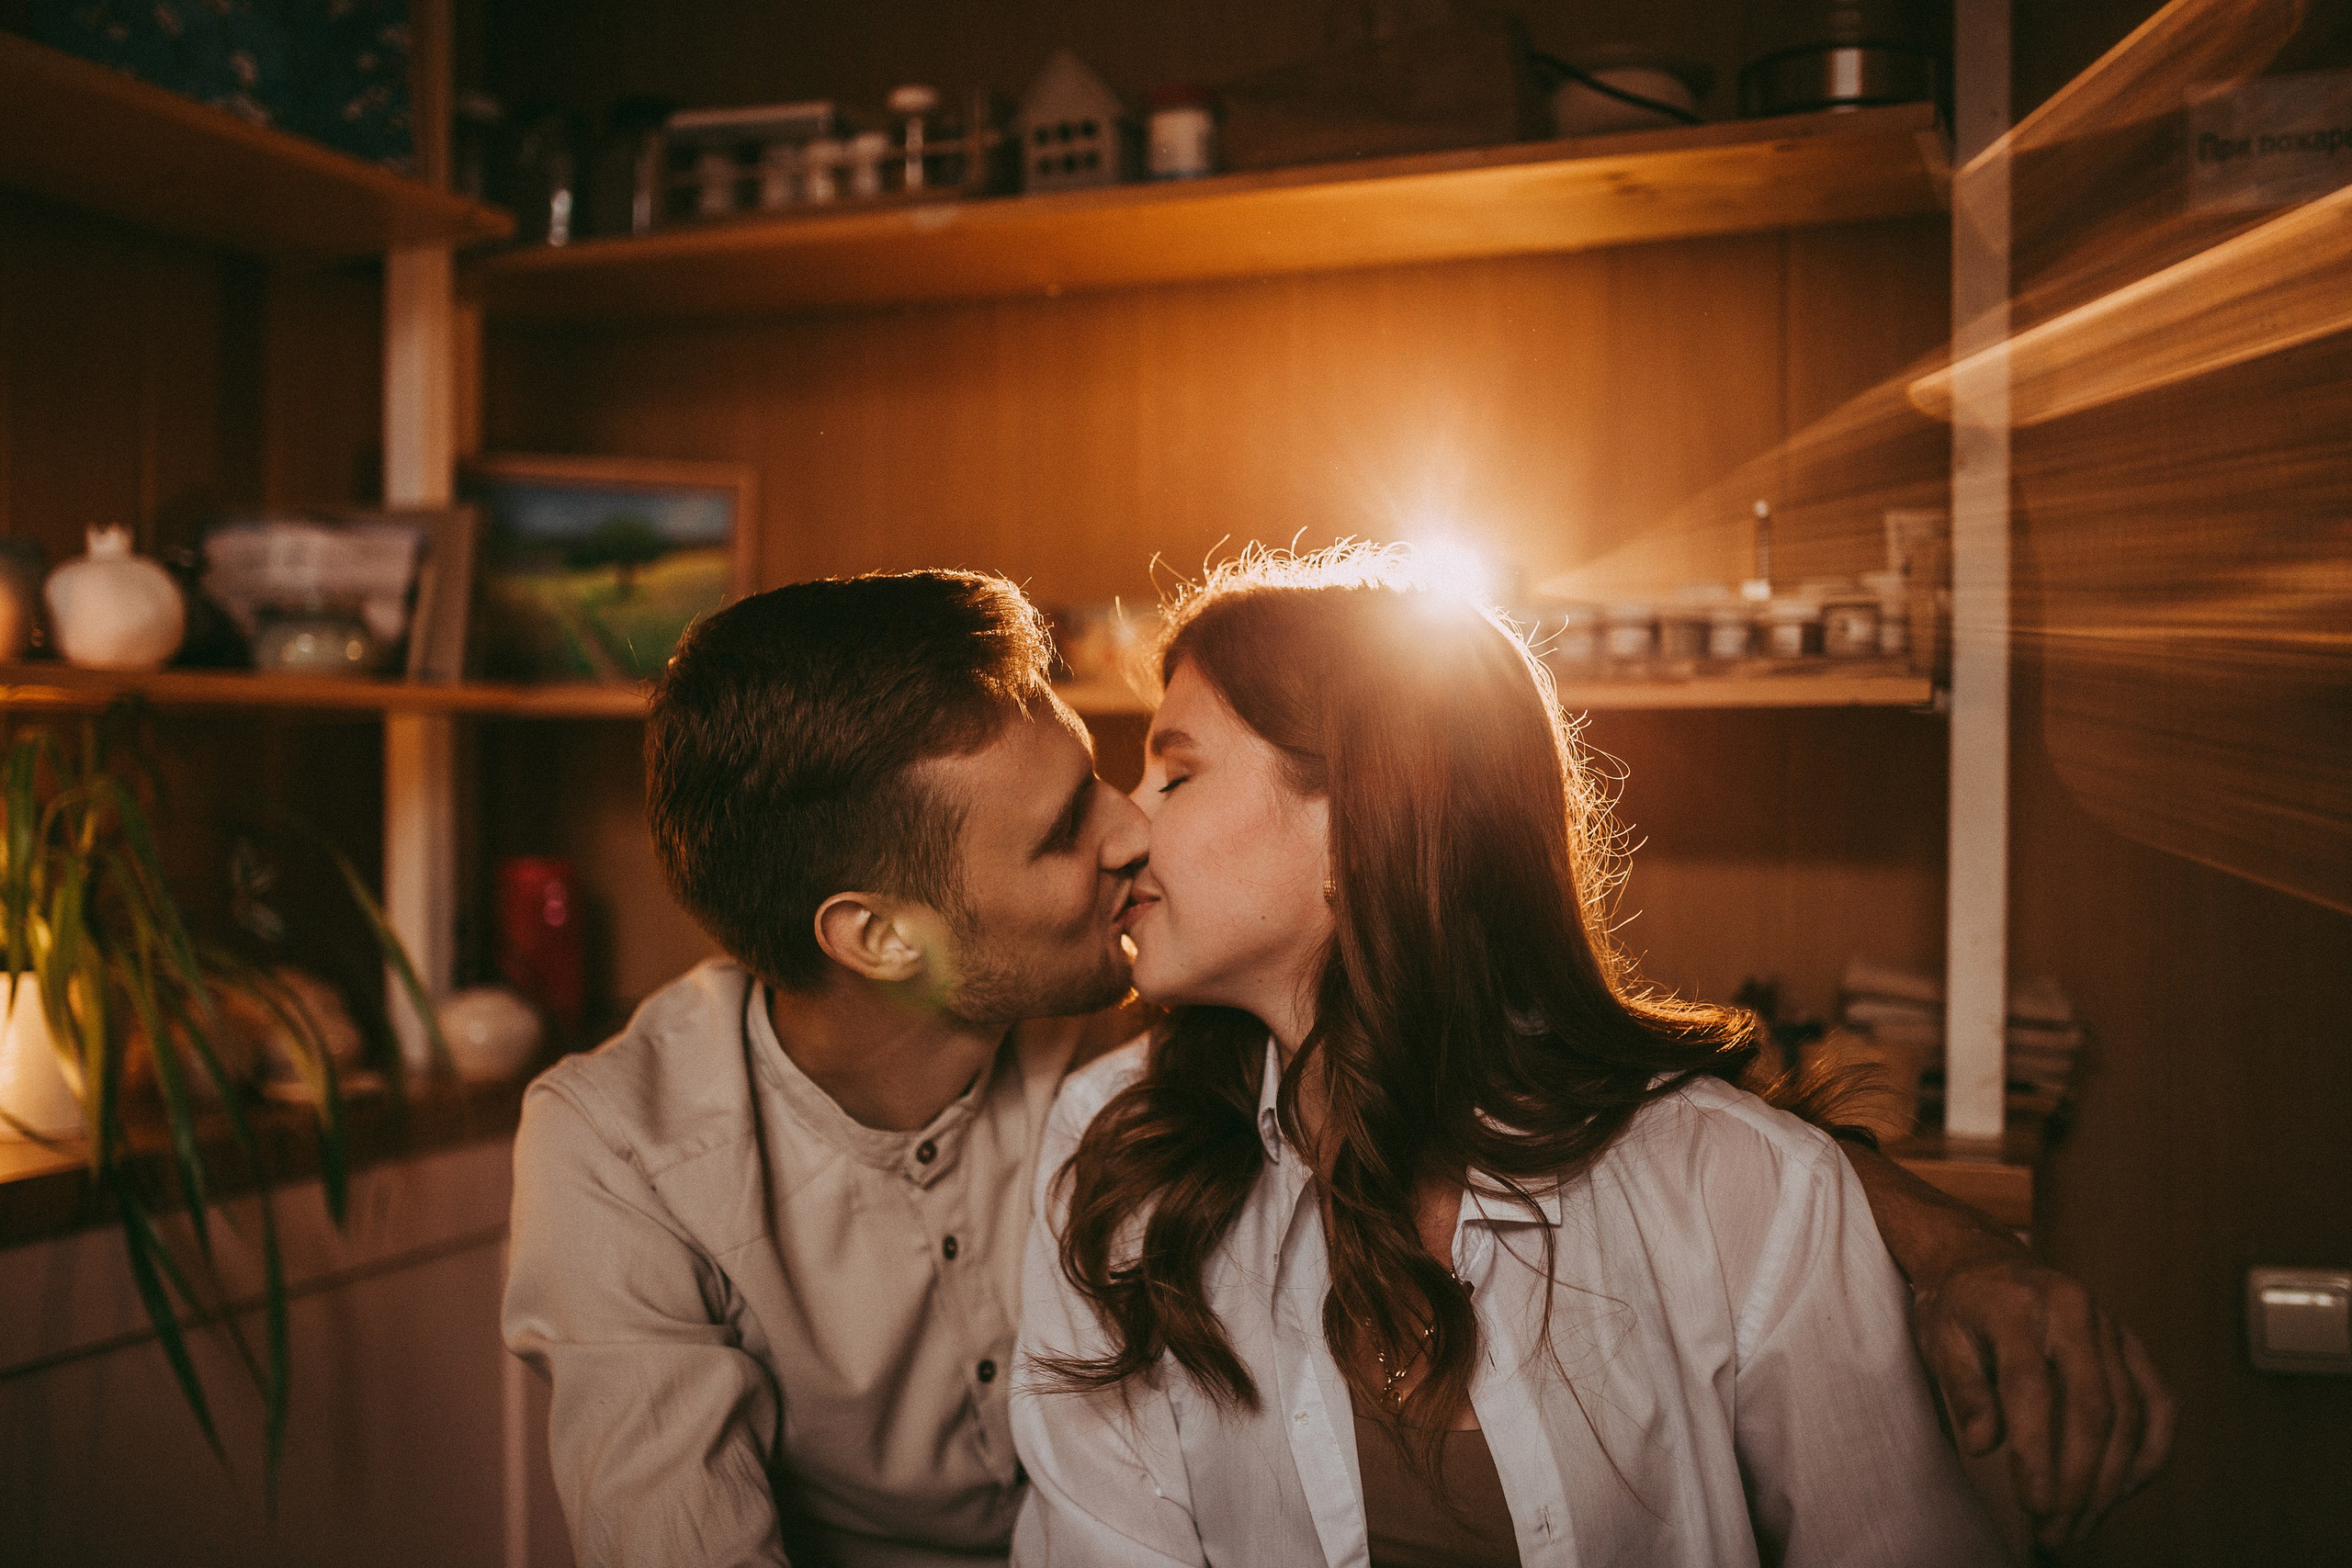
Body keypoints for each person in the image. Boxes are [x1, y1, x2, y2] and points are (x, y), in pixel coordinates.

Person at [503, 569, 2170, 1568]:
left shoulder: (1143, 1020)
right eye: (1075, 823)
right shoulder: (641, 1149)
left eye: (1140, 772)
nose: (1125, 840)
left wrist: (1945, 1244)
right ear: (882, 935)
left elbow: (1638, 1123)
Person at [1011, 550, 2168, 1566]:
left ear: (1359, 826)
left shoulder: (1741, 1190)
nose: (1128, 820)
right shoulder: (1117, 1151)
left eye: (1176, 769)